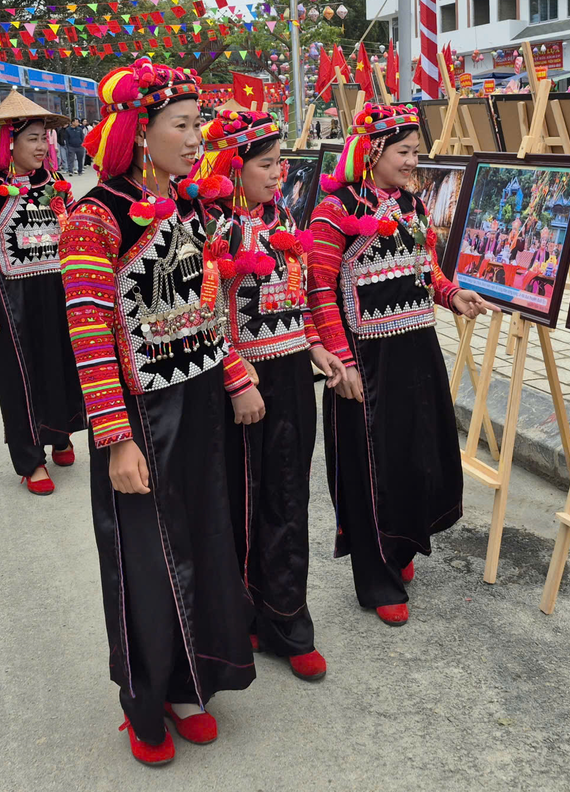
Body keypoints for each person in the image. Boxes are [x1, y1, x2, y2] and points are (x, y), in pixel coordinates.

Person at [58, 57, 256, 766]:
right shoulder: (93, 218)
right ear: (141, 133)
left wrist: (235, 376)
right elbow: (87, 335)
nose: (198, 136)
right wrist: (114, 438)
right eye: (183, 124)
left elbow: (208, 307)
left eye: (198, 122)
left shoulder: (193, 208)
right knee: (146, 559)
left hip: (199, 401)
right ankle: (146, 699)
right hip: (141, 416)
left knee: (204, 540)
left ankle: (191, 684)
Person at [307, 104, 491, 627]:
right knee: (373, 469)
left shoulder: (411, 204)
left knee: (416, 456)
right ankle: (376, 576)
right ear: (372, 153)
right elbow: (318, 289)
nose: (414, 162)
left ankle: (403, 546)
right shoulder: (333, 211)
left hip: (416, 348)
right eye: (404, 152)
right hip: (367, 360)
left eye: (416, 152)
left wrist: (453, 295)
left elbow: (424, 267)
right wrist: (342, 363)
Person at [194, 109, 347, 683]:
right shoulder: (209, 229)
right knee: (240, 503)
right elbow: (206, 315)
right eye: (267, 164)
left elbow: (298, 295)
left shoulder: (282, 216)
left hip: (288, 380)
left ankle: (286, 618)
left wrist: (316, 346)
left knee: (287, 501)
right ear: (235, 167)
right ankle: (245, 618)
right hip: (241, 388)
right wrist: (236, 377)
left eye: (281, 162)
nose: (280, 172)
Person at [0, 89, 84, 495]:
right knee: (20, 377)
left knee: (62, 365)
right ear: (8, 143)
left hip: (59, 292)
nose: (43, 145)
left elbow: (80, 236)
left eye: (45, 137)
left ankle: (61, 433)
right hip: (11, 300)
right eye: (33, 138)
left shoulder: (58, 186)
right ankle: (30, 459)